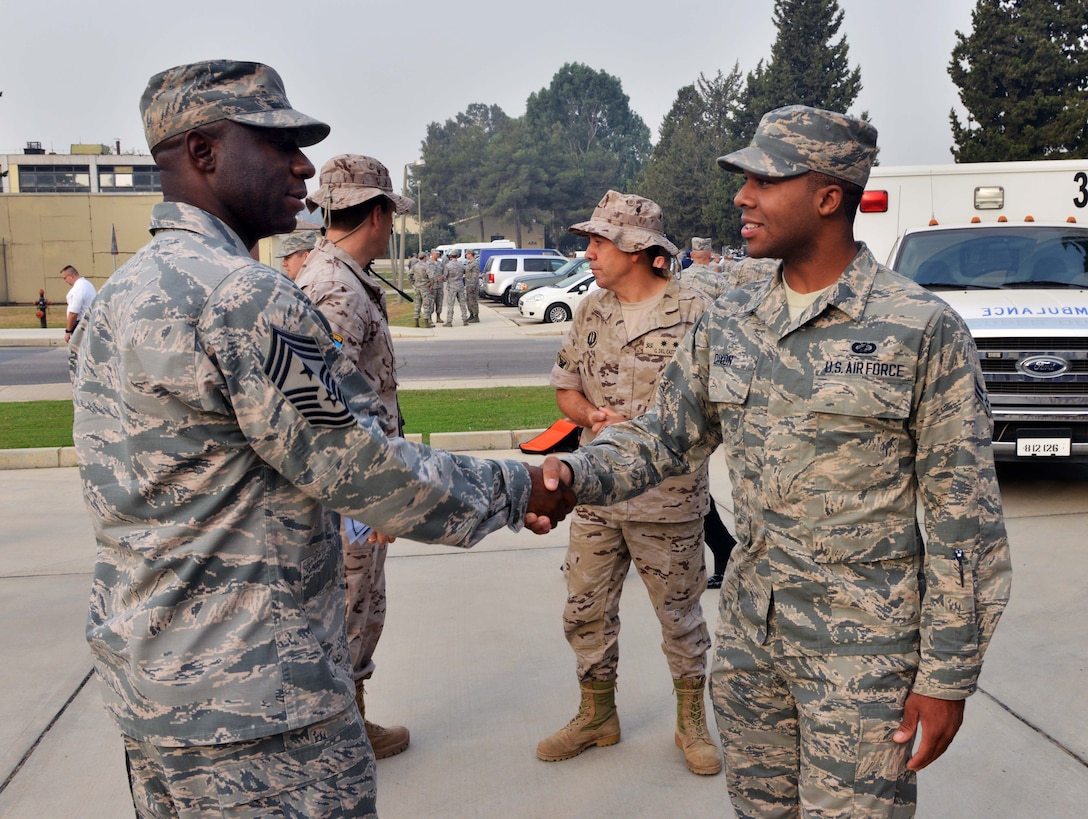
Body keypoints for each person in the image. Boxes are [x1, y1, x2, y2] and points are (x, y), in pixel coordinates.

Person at [69, 59, 574, 818]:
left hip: (154, 695)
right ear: (203, 152)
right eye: (276, 142)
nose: (303, 164)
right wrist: (520, 485)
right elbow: (366, 469)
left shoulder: (121, 295)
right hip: (262, 713)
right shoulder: (243, 294)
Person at [540, 106, 1012, 817]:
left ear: (827, 197)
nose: (742, 196)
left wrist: (947, 676)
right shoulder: (729, 320)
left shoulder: (920, 330)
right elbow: (662, 436)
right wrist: (574, 474)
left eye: (764, 179)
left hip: (863, 660)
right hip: (751, 647)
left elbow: (964, 521)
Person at [537, 190, 721, 776]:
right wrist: (590, 417)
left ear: (637, 248)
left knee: (680, 616)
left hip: (669, 501)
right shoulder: (592, 310)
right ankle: (597, 716)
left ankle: (691, 720)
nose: (587, 253)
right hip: (596, 497)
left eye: (597, 241)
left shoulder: (697, 313)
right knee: (583, 610)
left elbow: (718, 407)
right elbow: (566, 387)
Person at [294, 153, 414, 760]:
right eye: (389, 213)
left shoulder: (341, 277)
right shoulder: (336, 289)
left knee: (360, 606)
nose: (391, 226)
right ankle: (336, 740)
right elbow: (325, 413)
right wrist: (364, 506)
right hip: (349, 492)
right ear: (373, 213)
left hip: (361, 487)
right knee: (345, 608)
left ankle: (350, 723)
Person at [681, 237, 728, 301]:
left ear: (691, 255)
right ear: (710, 255)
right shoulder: (718, 280)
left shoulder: (679, 277)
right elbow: (725, 305)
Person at [60, 265, 95, 343]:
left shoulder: (77, 289)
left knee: (77, 351)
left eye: (65, 278)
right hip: (89, 322)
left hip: (80, 326)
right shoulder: (87, 284)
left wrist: (68, 331)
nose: (65, 281)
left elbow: (73, 313)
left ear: (71, 276)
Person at [442, 249, 469, 327]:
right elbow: (465, 272)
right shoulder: (461, 265)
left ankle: (449, 321)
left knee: (450, 304)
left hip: (452, 287)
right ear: (457, 256)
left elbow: (445, 276)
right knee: (462, 303)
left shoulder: (448, 265)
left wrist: (444, 279)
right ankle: (465, 319)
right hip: (460, 285)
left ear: (451, 256)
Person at [411, 251, 434, 327]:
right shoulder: (426, 266)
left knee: (417, 304)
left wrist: (413, 282)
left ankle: (416, 321)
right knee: (426, 304)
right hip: (425, 287)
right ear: (425, 257)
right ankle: (427, 322)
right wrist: (431, 284)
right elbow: (431, 277)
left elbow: (409, 274)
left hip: (417, 287)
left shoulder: (415, 266)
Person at [464, 249, 481, 323]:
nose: (466, 255)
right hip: (468, 284)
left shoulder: (475, 263)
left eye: (467, 254)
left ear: (470, 254)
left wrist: (472, 286)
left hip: (472, 285)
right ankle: (471, 314)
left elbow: (474, 276)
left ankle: (476, 316)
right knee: (468, 301)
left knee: (473, 300)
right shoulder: (469, 263)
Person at [428, 249, 444, 322]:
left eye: (438, 254)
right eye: (436, 254)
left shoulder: (440, 263)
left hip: (440, 286)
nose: (437, 255)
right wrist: (429, 284)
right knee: (431, 302)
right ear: (432, 254)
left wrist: (443, 277)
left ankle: (438, 317)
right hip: (432, 286)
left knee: (439, 302)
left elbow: (444, 272)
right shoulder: (428, 263)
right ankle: (430, 317)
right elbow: (427, 275)